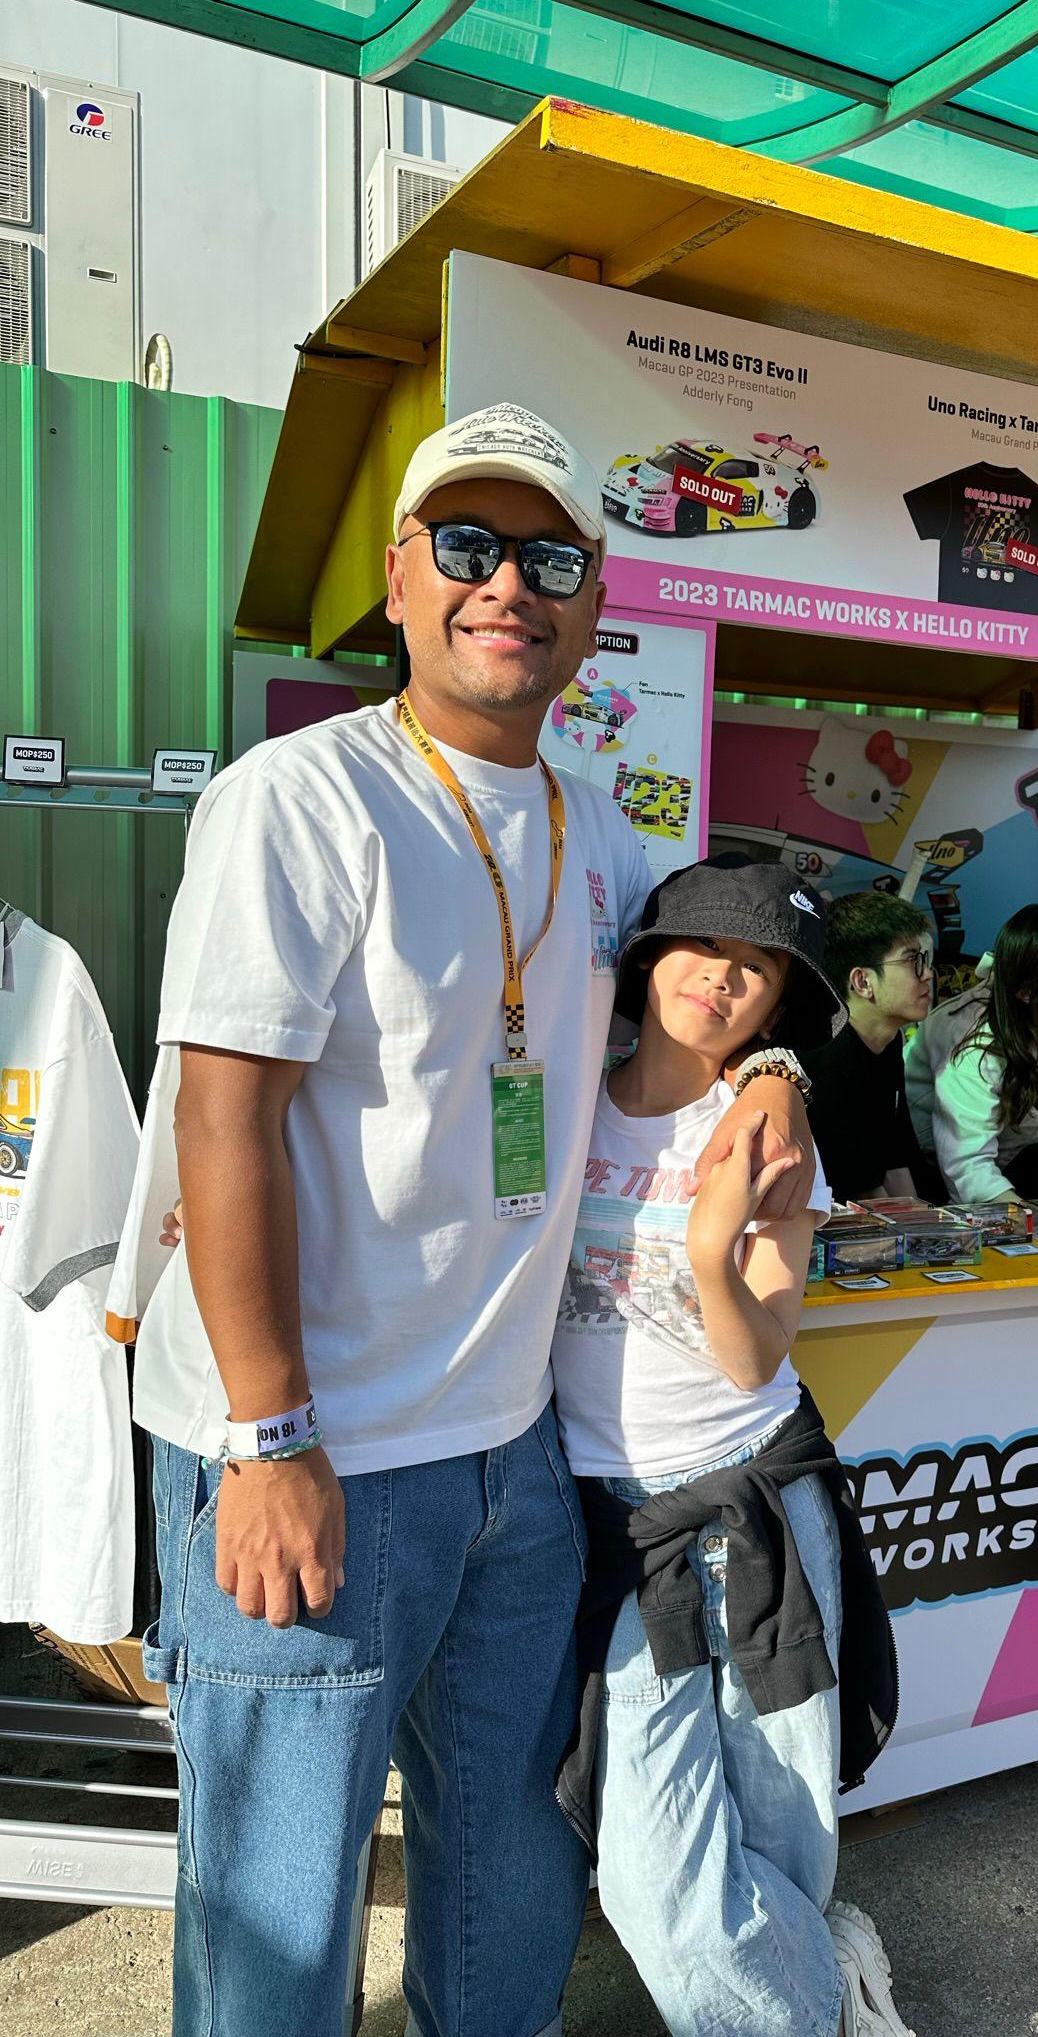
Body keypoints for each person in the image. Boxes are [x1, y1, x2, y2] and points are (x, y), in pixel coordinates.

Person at [120, 403, 815, 2037]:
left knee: (513, 1864)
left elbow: (707, 995)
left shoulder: (600, 824)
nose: (508, 583)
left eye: (550, 558)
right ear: (401, 576)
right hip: (316, 1446)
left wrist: (775, 1061)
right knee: (278, 1909)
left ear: (594, 601)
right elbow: (225, 1117)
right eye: (469, 545)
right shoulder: (299, 801)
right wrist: (267, 1436)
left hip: (514, 1453)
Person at [549, 854, 908, 2037]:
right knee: (654, 1875)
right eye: (706, 947)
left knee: (780, 1823)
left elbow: (755, 1357)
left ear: (780, 1005)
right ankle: (828, 1990)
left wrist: (712, 1250)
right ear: (651, 954)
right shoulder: (560, 1096)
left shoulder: (767, 1135)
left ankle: (816, 1974)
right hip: (616, 1527)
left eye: (759, 968)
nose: (723, 977)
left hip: (758, 1511)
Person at [904, 903, 1038, 1204]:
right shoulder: (975, 1039)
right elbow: (967, 1165)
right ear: (1026, 991)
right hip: (917, 1168)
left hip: (998, 1163)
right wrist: (1026, 1221)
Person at [804, 890, 934, 1202]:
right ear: (862, 982)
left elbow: (895, 1158)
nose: (928, 974)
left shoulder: (889, 1041)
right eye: (912, 961)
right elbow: (863, 1190)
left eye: (924, 960)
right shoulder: (824, 1054)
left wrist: (925, 1221)